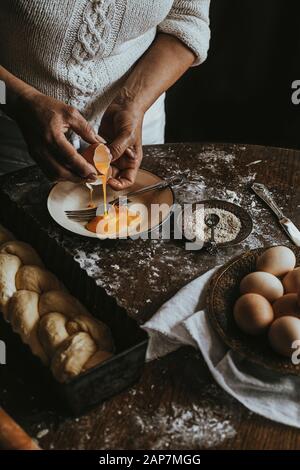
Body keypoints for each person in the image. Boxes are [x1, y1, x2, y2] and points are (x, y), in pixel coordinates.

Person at [0, 0, 210, 189]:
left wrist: (133, 102)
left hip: (135, 124)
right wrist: (18, 100)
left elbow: (187, 20)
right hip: (13, 131)